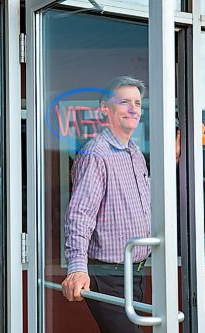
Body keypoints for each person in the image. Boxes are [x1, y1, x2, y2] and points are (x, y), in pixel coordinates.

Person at [61, 76, 151, 332]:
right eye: (124, 102)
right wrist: (78, 268)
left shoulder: (134, 152)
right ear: (104, 109)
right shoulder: (96, 154)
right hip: (108, 275)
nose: (133, 109)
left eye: (137, 103)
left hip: (134, 274)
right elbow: (80, 214)